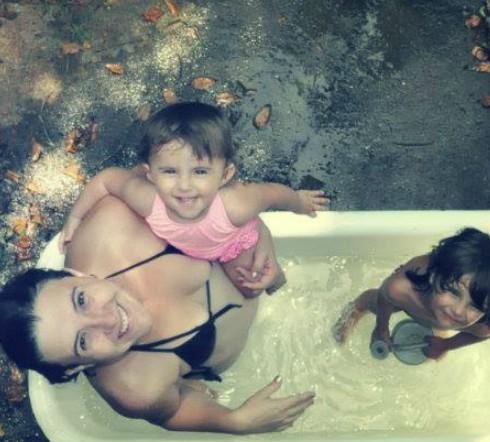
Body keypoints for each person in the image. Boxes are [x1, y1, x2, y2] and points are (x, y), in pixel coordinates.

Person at [0, 196, 315, 433]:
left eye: (81, 300)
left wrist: (256, 235)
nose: (107, 320)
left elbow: (194, 183)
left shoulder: (117, 222)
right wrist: (234, 421)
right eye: (83, 341)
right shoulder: (134, 388)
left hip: (269, 278)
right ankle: (188, 381)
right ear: (77, 367)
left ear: (73, 273)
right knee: (182, 390)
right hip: (233, 352)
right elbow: (172, 411)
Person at [59, 102, 329, 297]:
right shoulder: (146, 198)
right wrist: (75, 218)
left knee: (254, 287)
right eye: (169, 171)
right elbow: (106, 179)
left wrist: (299, 202)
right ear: (150, 174)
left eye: (200, 172)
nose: (184, 186)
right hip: (194, 246)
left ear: (225, 175)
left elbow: (272, 194)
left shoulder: (236, 205)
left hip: (233, 242)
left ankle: (278, 285)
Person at [333, 227, 490, 360]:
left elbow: (489, 332)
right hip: (420, 294)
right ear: (435, 276)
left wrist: (446, 345)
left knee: (447, 323)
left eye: (475, 306)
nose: (459, 311)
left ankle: (441, 321)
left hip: (436, 302)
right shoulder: (403, 290)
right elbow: (385, 296)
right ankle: (359, 306)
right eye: (453, 292)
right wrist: (381, 328)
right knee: (373, 301)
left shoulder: (481, 324)